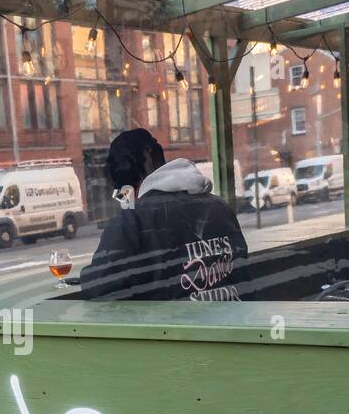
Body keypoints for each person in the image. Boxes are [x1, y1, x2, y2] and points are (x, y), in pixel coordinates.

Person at [80, 129, 248, 302]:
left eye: (121, 195)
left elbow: (99, 285)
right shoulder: (219, 207)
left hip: (177, 327)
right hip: (233, 324)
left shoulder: (132, 221)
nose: (124, 201)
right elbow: (243, 273)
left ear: (126, 187)